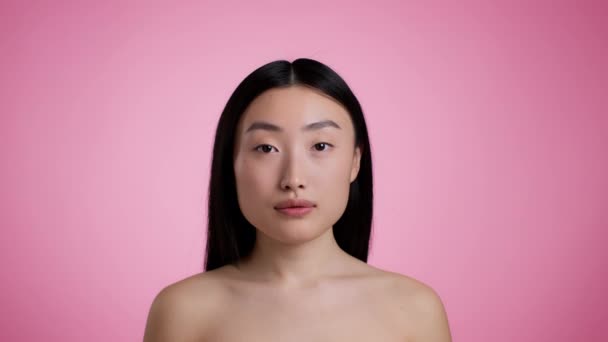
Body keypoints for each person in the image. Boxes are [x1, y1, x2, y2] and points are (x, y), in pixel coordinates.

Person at [143, 58, 452, 341]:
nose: (293, 179)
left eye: (320, 145)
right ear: (231, 163)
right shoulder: (182, 311)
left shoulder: (415, 311)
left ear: (355, 161)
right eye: (266, 148)